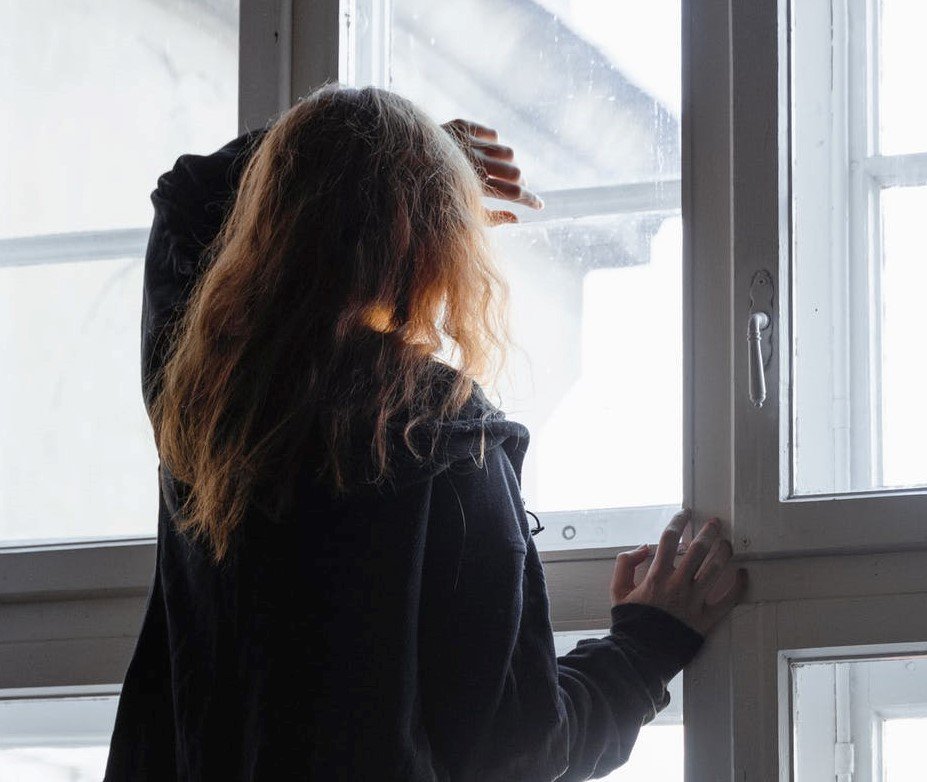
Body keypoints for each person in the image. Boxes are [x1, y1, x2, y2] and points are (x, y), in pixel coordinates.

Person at [104, 84, 745, 781]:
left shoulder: (205, 403)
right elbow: (516, 748)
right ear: (438, 240)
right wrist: (647, 643)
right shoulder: (441, 436)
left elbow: (189, 194)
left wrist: (358, 164)